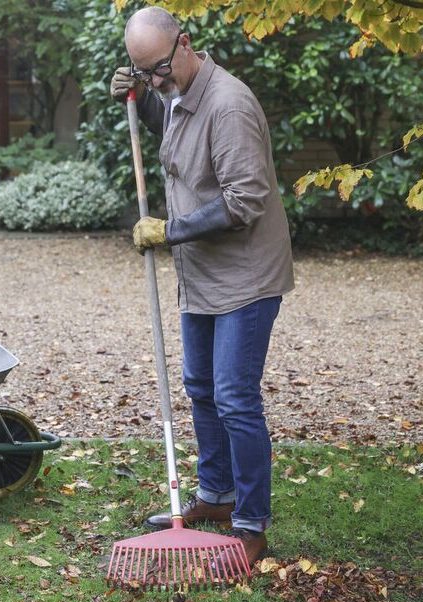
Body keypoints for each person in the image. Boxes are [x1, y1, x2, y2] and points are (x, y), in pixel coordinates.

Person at [110, 6, 294, 562]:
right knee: (201, 387)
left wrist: (171, 231)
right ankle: (216, 495)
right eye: (144, 74)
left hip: (245, 275)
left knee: (236, 399)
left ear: (185, 43)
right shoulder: (176, 93)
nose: (157, 82)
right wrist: (140, 99)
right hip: (202, 275)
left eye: (160, 70)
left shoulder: (229, 105)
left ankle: (251, 527)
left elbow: (244, 201)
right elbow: (175, 132)